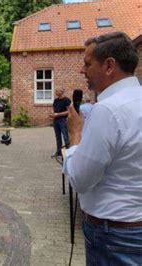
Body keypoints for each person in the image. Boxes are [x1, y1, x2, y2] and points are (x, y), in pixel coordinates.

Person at [63, 32, 142, 265]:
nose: (82, 71)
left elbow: (80, 179)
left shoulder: (107, 110)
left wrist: (76, 135)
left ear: (109, 66)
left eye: (87, 64)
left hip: (115, 236)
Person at [49, 88, 71, 157]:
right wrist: (52, 114)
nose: (55, 92)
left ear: (61, 91)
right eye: (55, 91)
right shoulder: (55, 100)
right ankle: (59, 152)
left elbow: (69, 111)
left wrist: (58, 114)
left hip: (63, 120)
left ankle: (68, 152)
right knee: (58, 136)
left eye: (57, 90)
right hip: (56, 120)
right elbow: (54, 109)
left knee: (65, 136)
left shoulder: (66, 100)